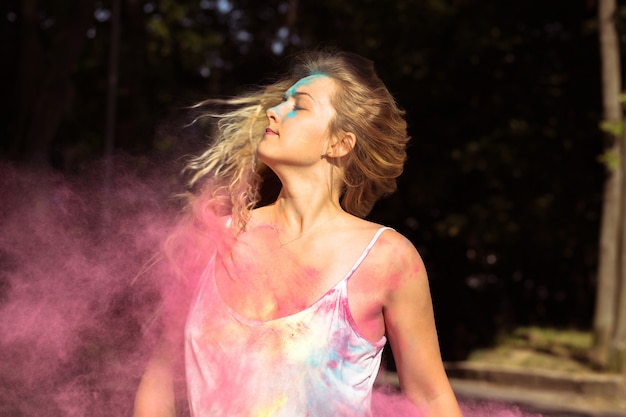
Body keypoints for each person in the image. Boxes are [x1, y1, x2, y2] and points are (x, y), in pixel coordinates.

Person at [133, 48, 463, 417]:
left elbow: (430, 399)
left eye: (299, 106)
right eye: (281, 101)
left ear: (339, 144)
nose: (275, 111)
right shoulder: (215, 237)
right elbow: (162, 373)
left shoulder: (388, 258)